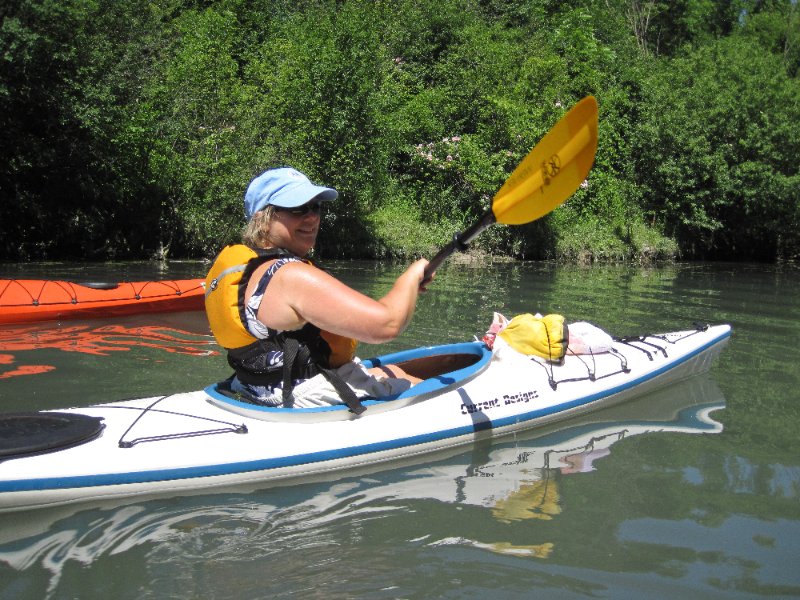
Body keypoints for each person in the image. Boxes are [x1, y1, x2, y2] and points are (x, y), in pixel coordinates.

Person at [205, 167, 431, 413]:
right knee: (425, 386)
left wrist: (406, 294)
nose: (312, 217)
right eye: (297, 208)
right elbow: (387, 325)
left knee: (394, 371)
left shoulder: (251, 270)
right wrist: (411, 276)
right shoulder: (291, 276)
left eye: (315, 207)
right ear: (262, 217)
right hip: (303, 393)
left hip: (252, 385)